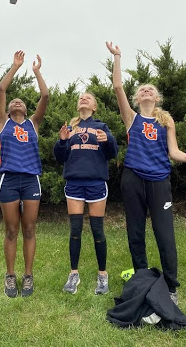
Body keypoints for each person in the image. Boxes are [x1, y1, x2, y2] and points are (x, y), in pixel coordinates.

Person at [106, 42, 186, 305]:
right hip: (133, 178)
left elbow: (173, 151)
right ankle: (142, 279)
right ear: (137, 99)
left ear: (156, 98)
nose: (146, 91)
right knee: (135, 231)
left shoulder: (165, 120)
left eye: (151, 90)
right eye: (142, 90)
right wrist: (117, 57)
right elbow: (117, 87)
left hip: (159, 180)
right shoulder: (132, 118)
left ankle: (171, 285)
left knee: (164, 233)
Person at [0, 50, 49, 298]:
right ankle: (10, 275)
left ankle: (28, 275)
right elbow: (1, 90)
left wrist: (37, 72)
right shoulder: (2, 123)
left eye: (21, 102)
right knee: (10, 230)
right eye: (13, 102)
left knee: (29, 229)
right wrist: (15, 66)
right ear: (7, 110)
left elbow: (45, 95)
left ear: (27, 110)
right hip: (8, 180)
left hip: (30, 180)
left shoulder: (33, 125)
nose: (17, 102)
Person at [54, 92, 119, 295]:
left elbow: (113, 153)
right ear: (77, 105)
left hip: (96, 183)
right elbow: (60, 157)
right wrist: (62, 140)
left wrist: (108, 140)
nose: (83, 98)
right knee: (75, 229)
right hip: (74, 184)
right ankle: (74, 274)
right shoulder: (70, 128)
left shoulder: (101, 127)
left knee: (97, 229)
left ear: (95, 106)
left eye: (88, 97)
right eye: (81, 97)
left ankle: (102, 275)